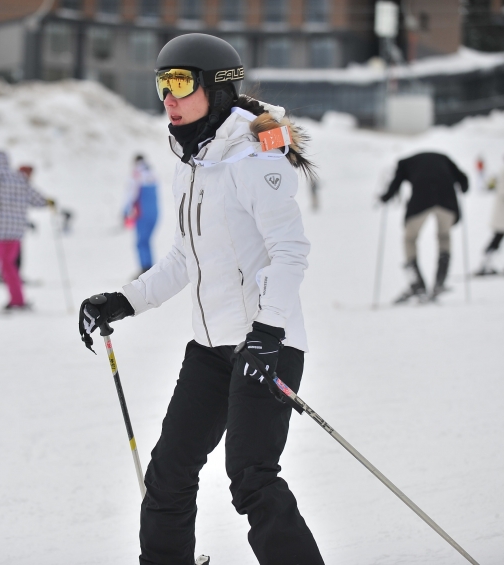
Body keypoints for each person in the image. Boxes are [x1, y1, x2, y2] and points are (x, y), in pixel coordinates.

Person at [78, 33, 324, 565]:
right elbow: (182, 260)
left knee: (251, 477)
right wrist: (122, 300)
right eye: (162, 82)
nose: (168, 94)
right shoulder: (190, 165)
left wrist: (268, 333)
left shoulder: (256, 159)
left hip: (266, 345)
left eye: (180, 81)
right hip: (211, 348)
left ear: (215, 89)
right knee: (168, 472)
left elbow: (290, 253)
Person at [0, 151, 55, 311]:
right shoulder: (19, 178)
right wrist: (48, 202)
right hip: (16, 231)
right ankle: (17, 301)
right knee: (9, 265)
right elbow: (36, 199)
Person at [379, 152, 469, 303]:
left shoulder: (404, 163)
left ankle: (417, 283)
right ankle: (440, 282)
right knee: (444, 236)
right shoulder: (444, 158)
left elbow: (396, 183)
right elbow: (463, 179)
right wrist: (464, 187)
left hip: (421, 201)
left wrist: (386, 197)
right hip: (447, 201)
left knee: (409, 238)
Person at [123, 154, 159, 275]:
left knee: (141, 242)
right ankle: (150, 268)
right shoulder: (152, 173)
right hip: (155, 213)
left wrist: (125, 210)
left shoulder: (137, 174)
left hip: (142, 213)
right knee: (147, 241)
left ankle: (145, 269)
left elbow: (131, 194)